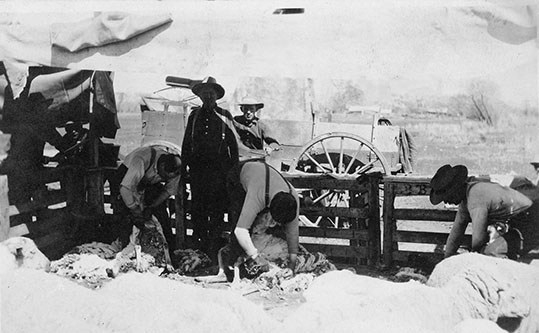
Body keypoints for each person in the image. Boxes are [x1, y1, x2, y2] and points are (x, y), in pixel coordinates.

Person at [199, 159, 300, 283]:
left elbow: (293, 233)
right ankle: (227, 270)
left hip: (262, 177)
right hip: (239, 177)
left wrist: (292, 266)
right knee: (241, 224)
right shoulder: (257, 196)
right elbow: (240, 231)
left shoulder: (293, 198)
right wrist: (256, 257)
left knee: (265, 230)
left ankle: (251, 261)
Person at [181, 76, 239, 260]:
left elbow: (234, 146)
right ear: (200, 96)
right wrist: (184, 168)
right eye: (204, 93)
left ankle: (214, 249)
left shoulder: (224, 115)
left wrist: (234, 171)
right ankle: (199, 246)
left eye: (211, 93)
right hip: (199, 173)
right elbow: (186, 144)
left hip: (219, 173)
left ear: (216, 95)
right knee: (198, 210)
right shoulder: (194, 116)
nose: (208, 96)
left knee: (217, 210)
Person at [429, 164, 533, 259]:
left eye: (448, 196)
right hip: (516, 223)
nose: (447, 201)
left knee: (489, 253)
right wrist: (446, 259)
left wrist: (475, 257)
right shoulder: (465, 201)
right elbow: (456, 234)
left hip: (530, 220)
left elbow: (478, 239)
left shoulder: (475, 196)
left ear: (456, 189)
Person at [109, 145, 182, 252]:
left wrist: (152, 207)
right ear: (162, 166)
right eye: (164, 176)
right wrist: (134, 208)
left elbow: (168, 191)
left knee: (159, 216)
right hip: (125, 181)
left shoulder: (175, 169)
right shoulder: (141, 159)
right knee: (125, 217)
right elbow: (126, 188)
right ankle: (123, 252)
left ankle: (166, 252)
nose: (165, 179)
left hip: (148, 183)